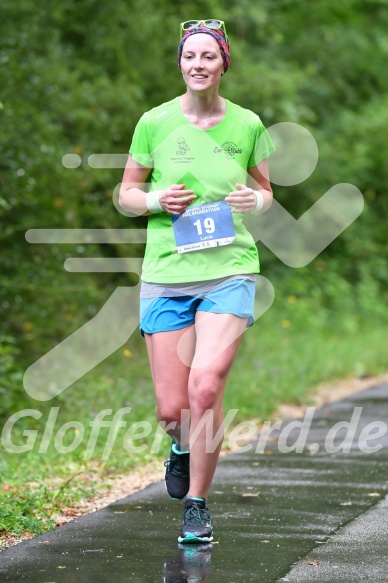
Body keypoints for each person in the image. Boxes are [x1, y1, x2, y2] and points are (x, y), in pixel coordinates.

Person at [119, 19, 275, 544]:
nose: (198, 65)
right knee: (172, 409)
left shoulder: (248, 124)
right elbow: (126, 194)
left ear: (223, 62)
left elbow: (265, 192)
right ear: (180, 63)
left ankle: (197, 506)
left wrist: (255, 201)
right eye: (190, 56)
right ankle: (181, 447)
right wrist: (155, 201)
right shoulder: (154, 123)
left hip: (229, 271)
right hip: (166, 273)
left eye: (209, 56)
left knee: (205, 387)